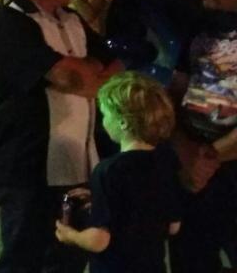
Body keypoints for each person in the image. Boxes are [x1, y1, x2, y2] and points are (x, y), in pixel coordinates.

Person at [0, 0, 122, 273]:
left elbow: (116, 69)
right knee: (23, 261)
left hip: (80, 168)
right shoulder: (11, 23)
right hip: (29, 172)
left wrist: (89, 75)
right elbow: (75, 79)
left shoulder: (72, 20)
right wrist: (90, 73)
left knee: (69, 261)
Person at [55, 72, 182, 273]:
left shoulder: (108, 170)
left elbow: (99, 241)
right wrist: (100, 197)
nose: (104, 121)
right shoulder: (167, 162)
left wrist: (70, 235)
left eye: (106, 115)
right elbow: (173, 226)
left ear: (123, 122)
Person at [167, 0, 237, 273]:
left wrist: (209, 158)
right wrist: (184, 150)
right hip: (193, 171)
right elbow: (176, 91)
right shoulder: (200, 24)